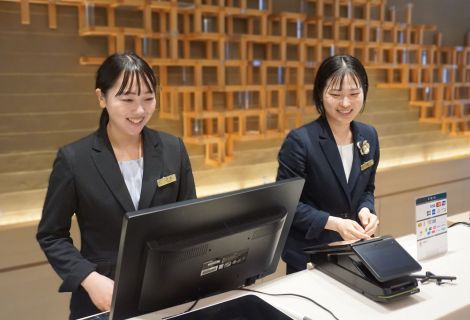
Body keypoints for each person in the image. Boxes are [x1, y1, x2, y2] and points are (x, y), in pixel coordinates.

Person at [36, 52, 197, 319]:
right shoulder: (75, 159)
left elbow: (189, 218)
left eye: (148, 98)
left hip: (166, 291)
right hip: (101, 296)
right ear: (102, 98)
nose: (140, 111)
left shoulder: (173, 149)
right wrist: (89, 278)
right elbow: (51, 235)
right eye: (128, 99)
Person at [276, 55, 380, 274]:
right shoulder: (300, 141)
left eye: (354, 94)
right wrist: (334, 223)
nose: (345, 103)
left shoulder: (369, 135)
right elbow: (288, 205)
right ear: (320, 95)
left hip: (353, 249)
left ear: (364, 92)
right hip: (310, 254)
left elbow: (367, 188)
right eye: (335, 94)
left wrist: (366, 209)